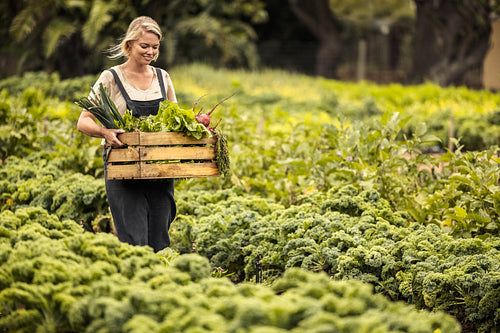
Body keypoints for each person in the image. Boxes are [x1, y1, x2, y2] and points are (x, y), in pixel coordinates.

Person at [77, 16, 177, 252]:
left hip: (159, 169)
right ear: (129, 44)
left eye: (155, 47)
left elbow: (174, 119)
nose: (150, 51)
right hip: (124, 168)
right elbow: (83, 121)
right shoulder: (111, 78)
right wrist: (105, 131)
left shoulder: (163, 78)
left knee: (160, 239)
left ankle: (162, 286)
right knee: (134, 240)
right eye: (145, 46)